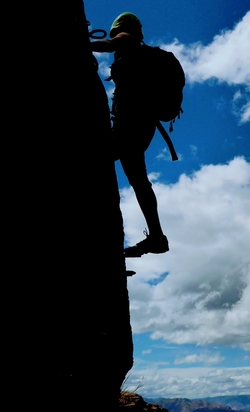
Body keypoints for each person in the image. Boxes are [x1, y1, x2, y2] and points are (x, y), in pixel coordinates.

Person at [91, 12, 169, 257]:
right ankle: (157, 236)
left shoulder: (127, 40)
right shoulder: (141, 54)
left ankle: (156, 236)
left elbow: (112, 42)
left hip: (130, 125)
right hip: (141, 126)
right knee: (139, 181)